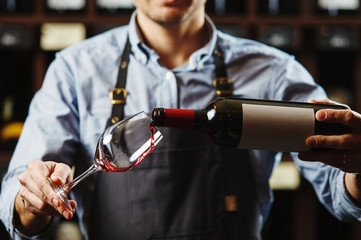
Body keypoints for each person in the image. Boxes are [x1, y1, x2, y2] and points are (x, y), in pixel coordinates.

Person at [1, 0, 361, 239]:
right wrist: (32, 198)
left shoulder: (274, 72)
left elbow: (340, 193)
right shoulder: (74, 70)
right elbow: (19, 201)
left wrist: (357, 168)